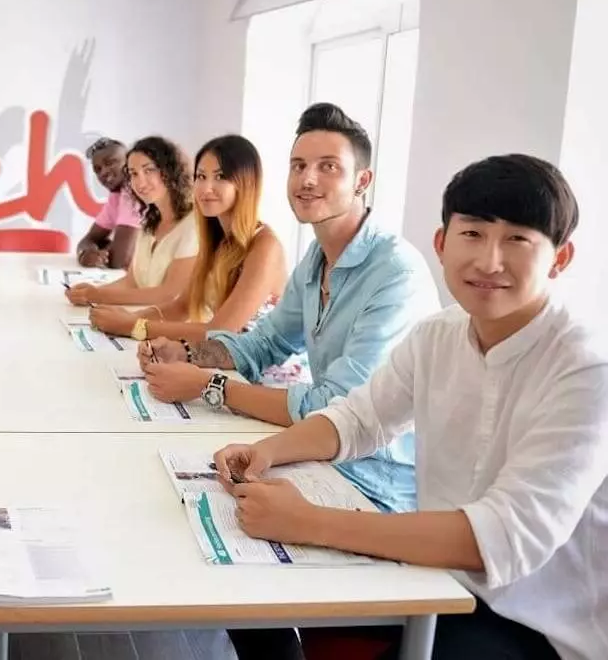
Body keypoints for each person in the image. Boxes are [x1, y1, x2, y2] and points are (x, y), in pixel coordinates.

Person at [213, 155, 606, 660]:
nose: (489, 261)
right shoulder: (438, 334)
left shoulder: (586, 366)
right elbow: (358, 419)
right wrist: (266, 451)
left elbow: (504, 537)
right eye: (473, 234)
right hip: (438, 578)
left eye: (518, 240)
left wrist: (305, 520)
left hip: (538, 625)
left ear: (560, 258)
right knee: (254, 600)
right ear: (441, 244)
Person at [140, 104, 438, 515]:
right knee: (165, 491)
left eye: (328, 167)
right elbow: (264, 342)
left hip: (376, 487)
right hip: (319, 460)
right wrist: (187, 353)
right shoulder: (318, 258)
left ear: (362, 181)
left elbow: (337, 407)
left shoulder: (395, 272)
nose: (308, 179)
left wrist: (210, 386)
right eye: (298, 166)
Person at [90, 134, 286, 341]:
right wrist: (126, 318)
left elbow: (220, 331)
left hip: (260, 371)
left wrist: (133, 326)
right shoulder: (216, 237)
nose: (206, 188)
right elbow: (182, 306)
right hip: (220, 360)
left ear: (247, 183)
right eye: (201, 176)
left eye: (220, 177)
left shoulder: (265, 245)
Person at [65, 136, 198, 309]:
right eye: (133, 173)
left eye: (148, 170)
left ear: (169, 170)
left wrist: (98, 295)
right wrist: (88, 293)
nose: (139, 181)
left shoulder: (193, 224)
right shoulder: (149, 223)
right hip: (147, 320)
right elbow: (132, 282)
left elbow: (170, 294)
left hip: (180, 331)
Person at [76, 137, 140, 269]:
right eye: (97, 169)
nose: (103, 172)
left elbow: (120, 261)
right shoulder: (116, 197)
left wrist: (104, 248)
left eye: (111, 162)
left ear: (129, 162)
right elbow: (87, 241)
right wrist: (86, 254)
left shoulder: (135, 192)